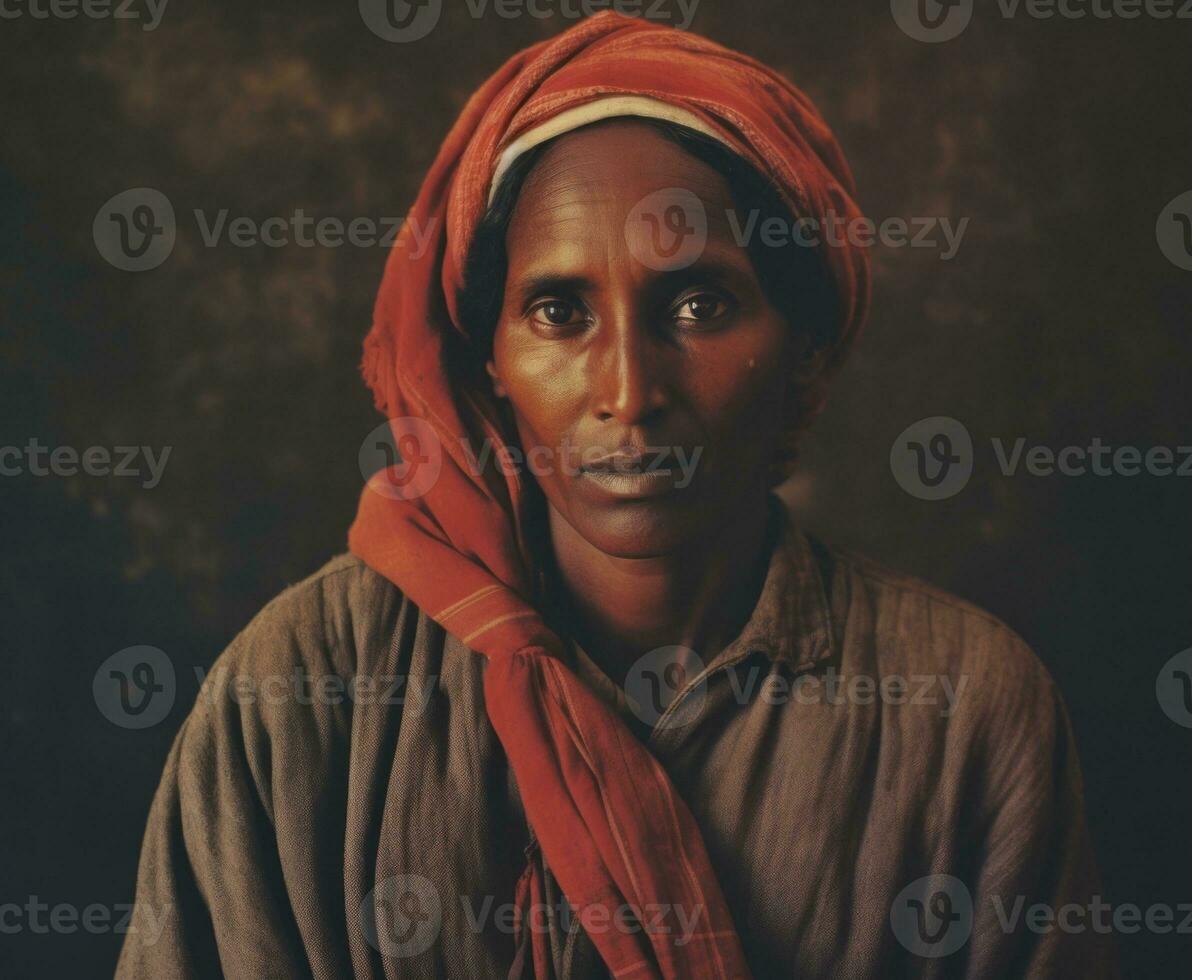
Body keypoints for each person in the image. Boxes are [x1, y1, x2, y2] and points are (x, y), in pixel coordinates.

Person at [116, 12, 1115, 979]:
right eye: (558, 310)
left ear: (802, 358)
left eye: (698, 303)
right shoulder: (301, 692)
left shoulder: (960, 713)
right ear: (489, 362)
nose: (629, 392)